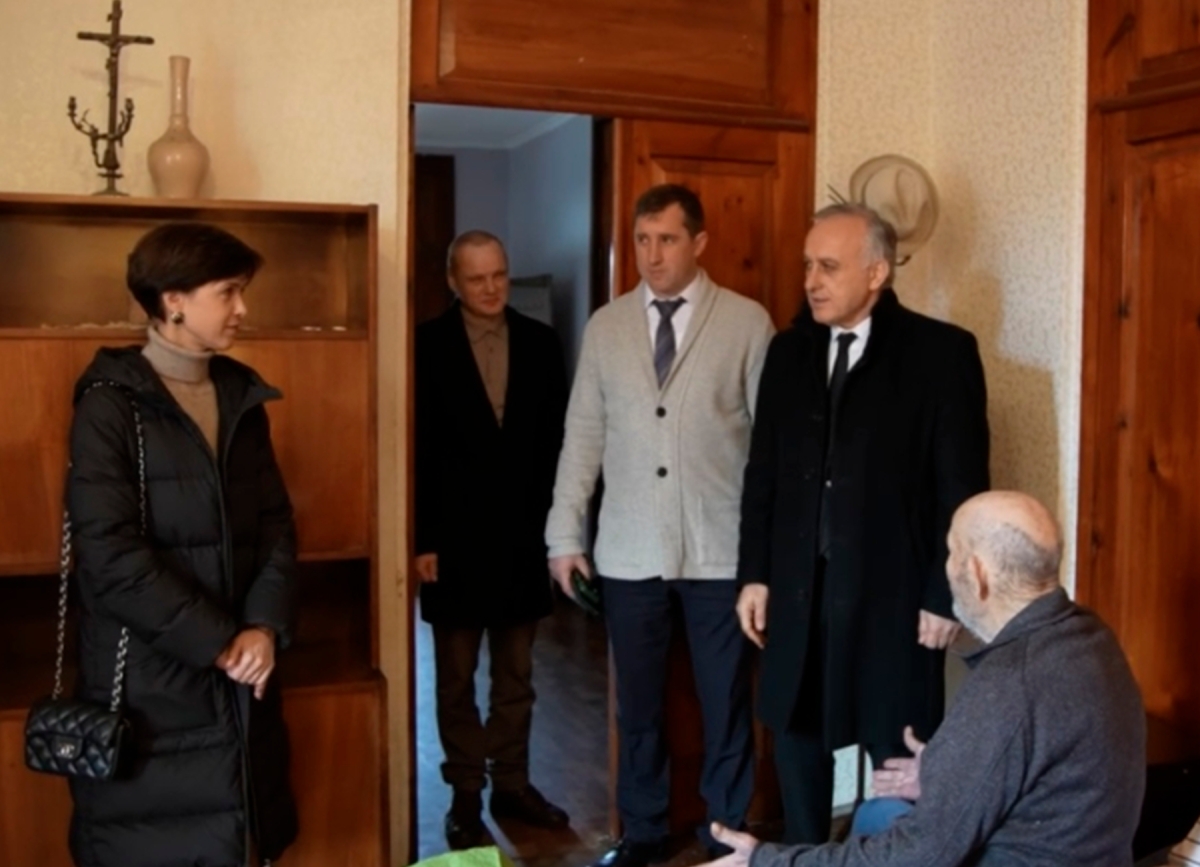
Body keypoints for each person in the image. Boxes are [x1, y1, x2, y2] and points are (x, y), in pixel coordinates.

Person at [705, 490, 1148, 867]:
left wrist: (768, 860)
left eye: (951, 551)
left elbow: (919, 855)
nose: (946, 567)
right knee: (878, 812)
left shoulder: (1009, 683)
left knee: (878, 827)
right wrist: (950, 772)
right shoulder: (1090, 635)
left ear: (977, 573)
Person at [735, 203, 990, 844]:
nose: (811, 281)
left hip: (894, 601)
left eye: (828, 267)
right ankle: (801, 859)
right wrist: (754, 575)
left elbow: (961, 491)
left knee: (897, 758)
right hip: (799, 594)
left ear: (876, 272)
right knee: (797, 745)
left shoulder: (942, 354)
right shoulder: (788, 352)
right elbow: (763, 474)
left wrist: (945, 594)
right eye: (807, 266)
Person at [545, 184, 775, 867]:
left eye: (667, 240)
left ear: (698, 243)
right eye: (643, 240)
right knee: (638, 706)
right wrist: (564, 535)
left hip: (720, 552)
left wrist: (765, 557)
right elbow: (583, 434)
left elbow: (770, 449)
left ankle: (726, 834)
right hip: (628, 552)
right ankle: (642, 831)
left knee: (725, 701)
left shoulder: (747, 323)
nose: (651, 255)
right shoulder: (607, 326)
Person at [66, 222, 298, 866]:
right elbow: (109, 556)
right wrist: (219, 643)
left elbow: (276, 524)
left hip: (244, 675)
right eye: (228, 292)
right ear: (173, 301)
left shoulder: (241, 395)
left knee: (241, 841)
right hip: (151, 687)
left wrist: (262, 627)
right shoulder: (110, 404)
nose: (242, 308)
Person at [415, 230, 571, 849]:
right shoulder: (425, 346)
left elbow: (559, 444)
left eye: (499, 275)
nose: (490, 288)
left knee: (516, 677)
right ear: (453, 281)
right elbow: (417, 449)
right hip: (450, 542)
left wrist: (560, 532)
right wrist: (421, 539)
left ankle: (512, 783)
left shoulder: (541, 343)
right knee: (455, 681)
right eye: (476, 278)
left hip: (523, 539)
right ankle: (464, 794)